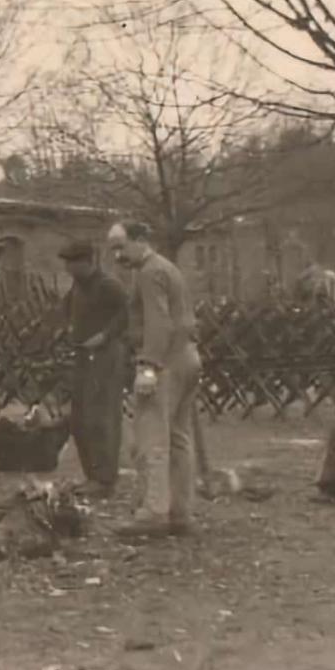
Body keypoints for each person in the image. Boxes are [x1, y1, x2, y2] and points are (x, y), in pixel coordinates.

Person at [106, 220, 200, 539]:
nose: (117, 256)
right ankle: (180, 511)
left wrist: (148, 365)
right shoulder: (168, 268)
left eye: (121, 247)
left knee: (152, 438)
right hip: (187, 356)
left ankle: (154, 511)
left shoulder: (149, 273)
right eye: (113, 249)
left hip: (165, 361)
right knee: (179, 438)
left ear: (140, 240)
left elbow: (159, 322)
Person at [59, 239, 129, 499]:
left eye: (72, 263)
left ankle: (105, 479)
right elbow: (66, 310)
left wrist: (104, 336)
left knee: (100, 417)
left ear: (87, 262)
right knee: (79, 419)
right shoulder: (77, 286)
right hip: (82, 355)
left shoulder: (109, 286)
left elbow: (126, 315)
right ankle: (91, 474)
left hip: (105, 357)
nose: (68, 268)